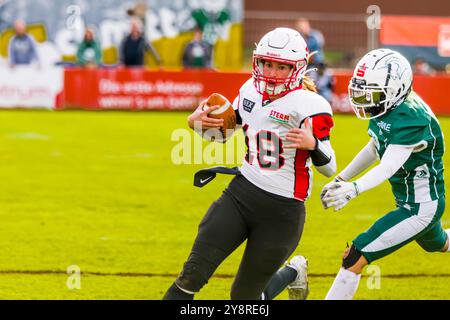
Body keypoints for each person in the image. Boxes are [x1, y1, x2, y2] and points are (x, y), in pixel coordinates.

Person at [163, 27, 337, 300]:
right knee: (191, 274)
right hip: (241, 194)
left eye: (281, 67)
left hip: (283, 212)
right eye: (266, 63)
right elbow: (224, 135)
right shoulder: (250, 91)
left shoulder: (311, 105)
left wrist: (313, 145)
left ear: (298, 68)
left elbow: (330, 167)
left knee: (243, 299)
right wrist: (196, 124)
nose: (271, 72)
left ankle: (293, 272)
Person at [319, 48, 449, 300]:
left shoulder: (412, 118)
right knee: (440, 243)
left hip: (420, 208)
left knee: (355, 255)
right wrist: (341, 179)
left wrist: (354, 189)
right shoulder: (387, 107)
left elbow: (388, 165)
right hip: (414, 201)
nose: (367, 99)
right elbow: (374, 148)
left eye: (374, 92)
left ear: (395, 90)